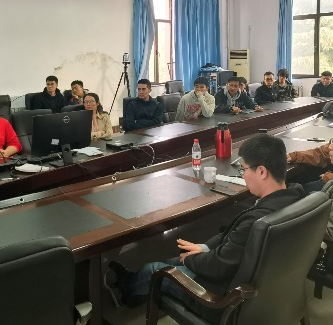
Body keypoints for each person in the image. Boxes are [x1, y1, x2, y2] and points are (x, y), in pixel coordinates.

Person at [103, 134, 305, 314]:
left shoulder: (257, 221)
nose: (243, 175)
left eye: (244, 169)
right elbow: (233, 242)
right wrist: (204, 248)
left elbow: (218, 266)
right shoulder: (295, 197)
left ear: (261, 172)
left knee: (154, 269)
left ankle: (125, 293)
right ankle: (131, 281)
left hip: (219, 297)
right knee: (177, 258)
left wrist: (191, 260)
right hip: (253, 282)